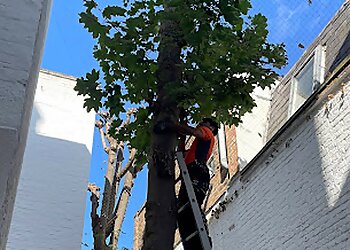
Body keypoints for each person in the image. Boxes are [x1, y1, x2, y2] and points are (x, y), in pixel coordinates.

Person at [174, 117, 218, 250]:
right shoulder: (195, 149)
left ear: (210, 127)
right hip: (193, 174)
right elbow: (181, 154)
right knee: (184, 210)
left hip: (197, 172)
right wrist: (181, 137)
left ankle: (202, 242)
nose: (199, 124)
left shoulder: (208, 133)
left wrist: (178, 125)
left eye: (203, 122)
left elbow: (197, 132)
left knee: (191, 207)